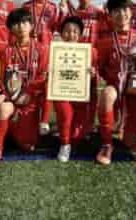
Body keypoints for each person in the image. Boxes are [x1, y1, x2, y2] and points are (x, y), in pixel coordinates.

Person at [0, 8, 49, 169]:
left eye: (24, 23)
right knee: (3, 108)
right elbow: (1, 79)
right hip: (12, 98)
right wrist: (4, 95)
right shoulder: (6, 51)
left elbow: (43, 78)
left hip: (31, 100)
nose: (20, 27)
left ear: (31, 26)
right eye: (16, 24)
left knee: (27, 145)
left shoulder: (42, 49)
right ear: (10, 28)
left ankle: (16, 130)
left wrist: (27, 94)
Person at [96, 0, 136, 165]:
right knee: (106, 95)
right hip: (114, 85)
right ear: (110, 15)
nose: (121, 14)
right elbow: (100, 67)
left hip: (135, 88)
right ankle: (106, 143)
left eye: (125, 10)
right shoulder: (104, 41)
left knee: (129, 142)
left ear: (131, 12)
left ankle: (128, 125)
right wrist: (109, 77)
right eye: (116, 11)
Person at [59, 0, 106, 135]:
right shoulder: (72, 14)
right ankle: (70, 122)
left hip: (91, 57)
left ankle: (90, 123)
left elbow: (107, 31)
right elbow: (61, 30)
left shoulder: (99, 14)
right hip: (73, 58)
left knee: (92, 92)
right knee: (71, 91)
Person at [52, 16, 98, 162]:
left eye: (74, 31)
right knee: (65, 116)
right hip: (62, 92)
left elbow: (96, 80)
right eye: (66, 31)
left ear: (80, 34)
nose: (71, 35)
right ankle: (64, 144)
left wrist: (92, 74)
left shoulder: (91, 51)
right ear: (61, 33)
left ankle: (68, 136)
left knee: (78, 137)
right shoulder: (54, 51)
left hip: (81, 93)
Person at [22, 0, 58, 135]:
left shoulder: (53, 7)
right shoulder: (26, 6)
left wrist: (64, 12)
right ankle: (29, 117)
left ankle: (44, 121)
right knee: (30, 84)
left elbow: (59, 27)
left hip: (47, 51)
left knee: (47, 86)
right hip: (29, 51)